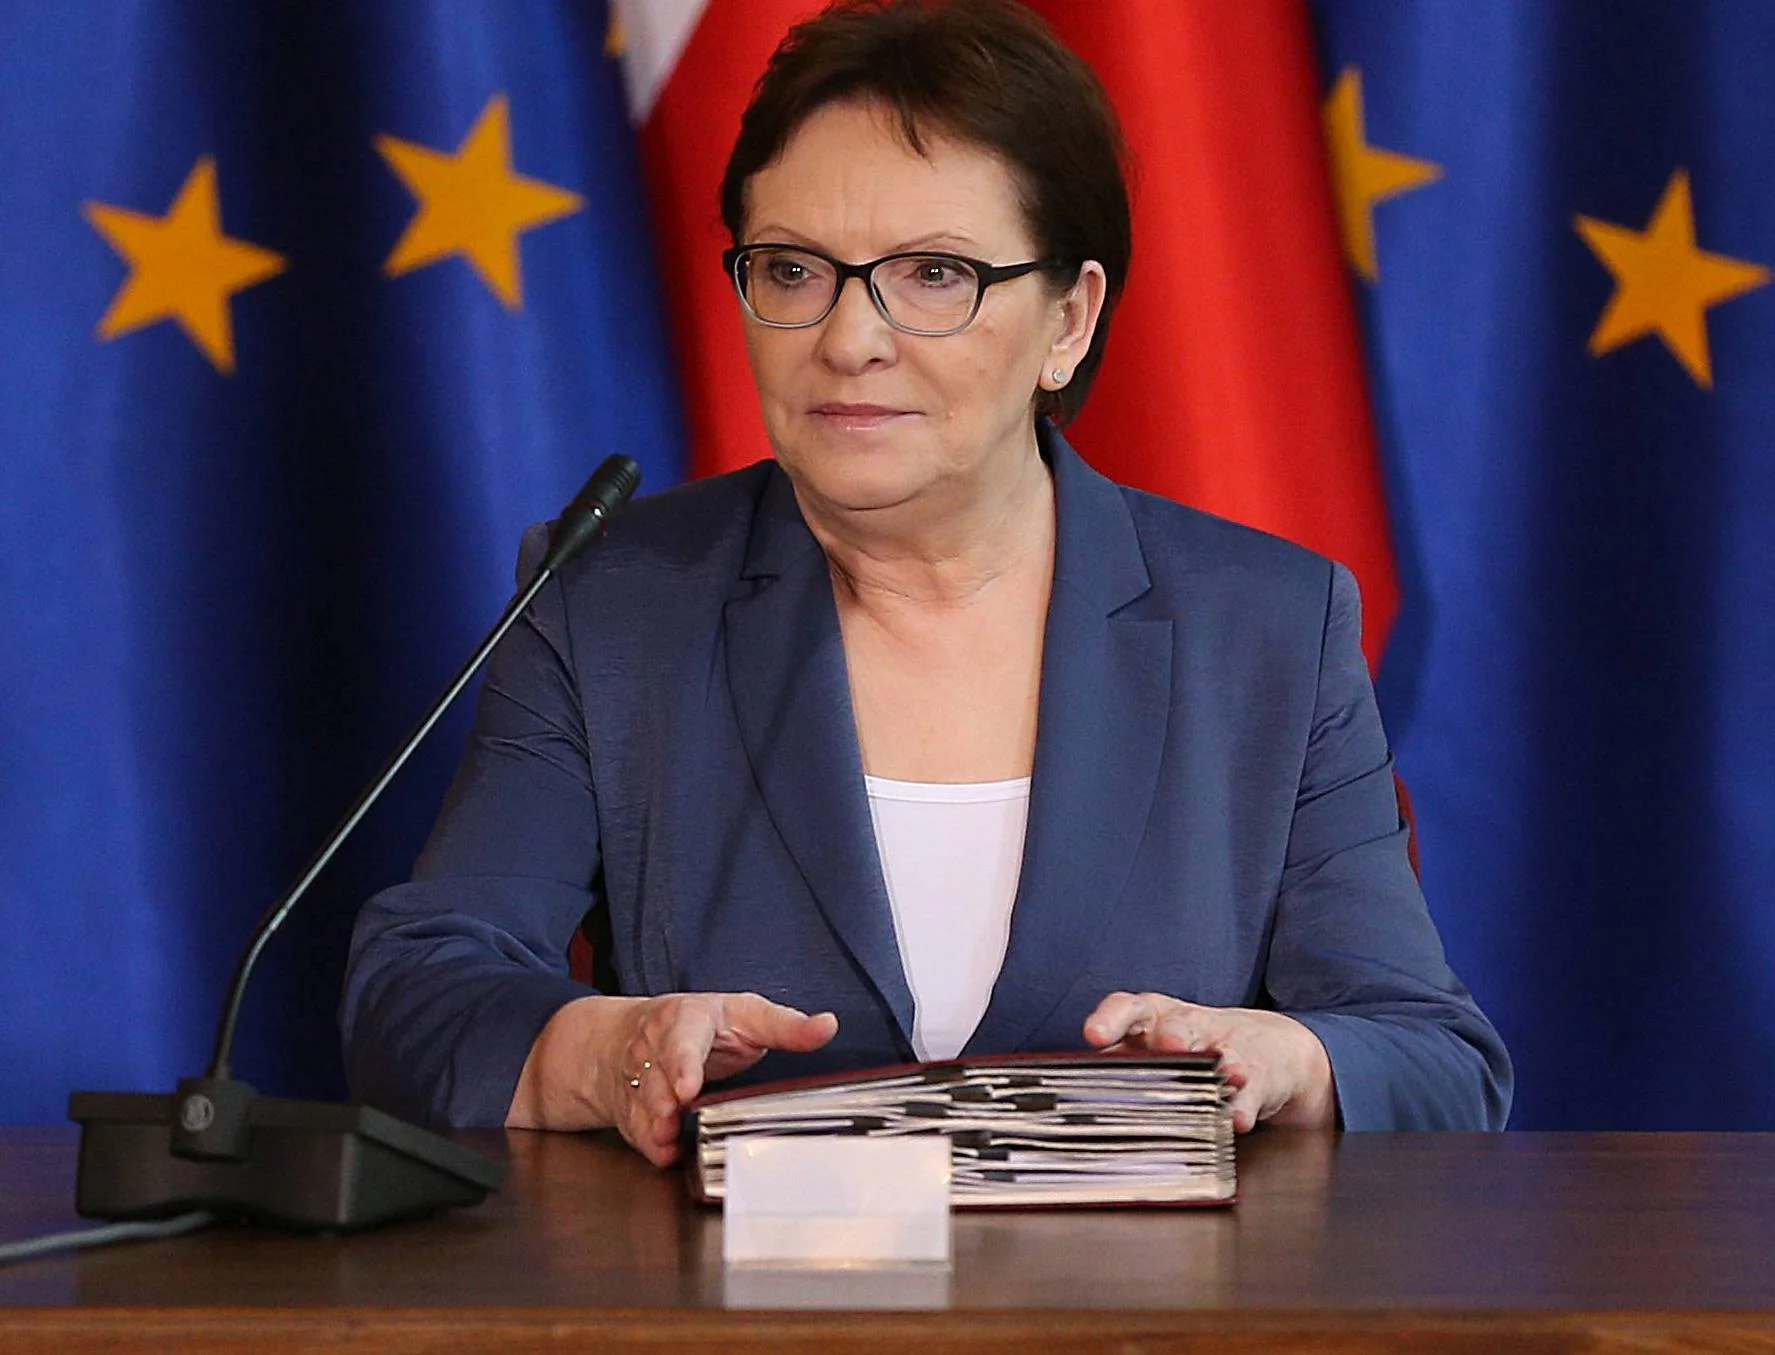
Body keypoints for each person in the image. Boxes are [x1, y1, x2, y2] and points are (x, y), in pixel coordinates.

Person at [343, 0, 1512, 1165]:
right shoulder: (614, 603)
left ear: (1067, 319)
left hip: (1149, 1283)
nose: (848, 338)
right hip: (730, 1281)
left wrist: (1288, 1059)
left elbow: (1432, 1058)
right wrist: (609, 1051)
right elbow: (417, 994)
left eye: (933, 274)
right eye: (792, 269)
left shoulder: (1264, 628)